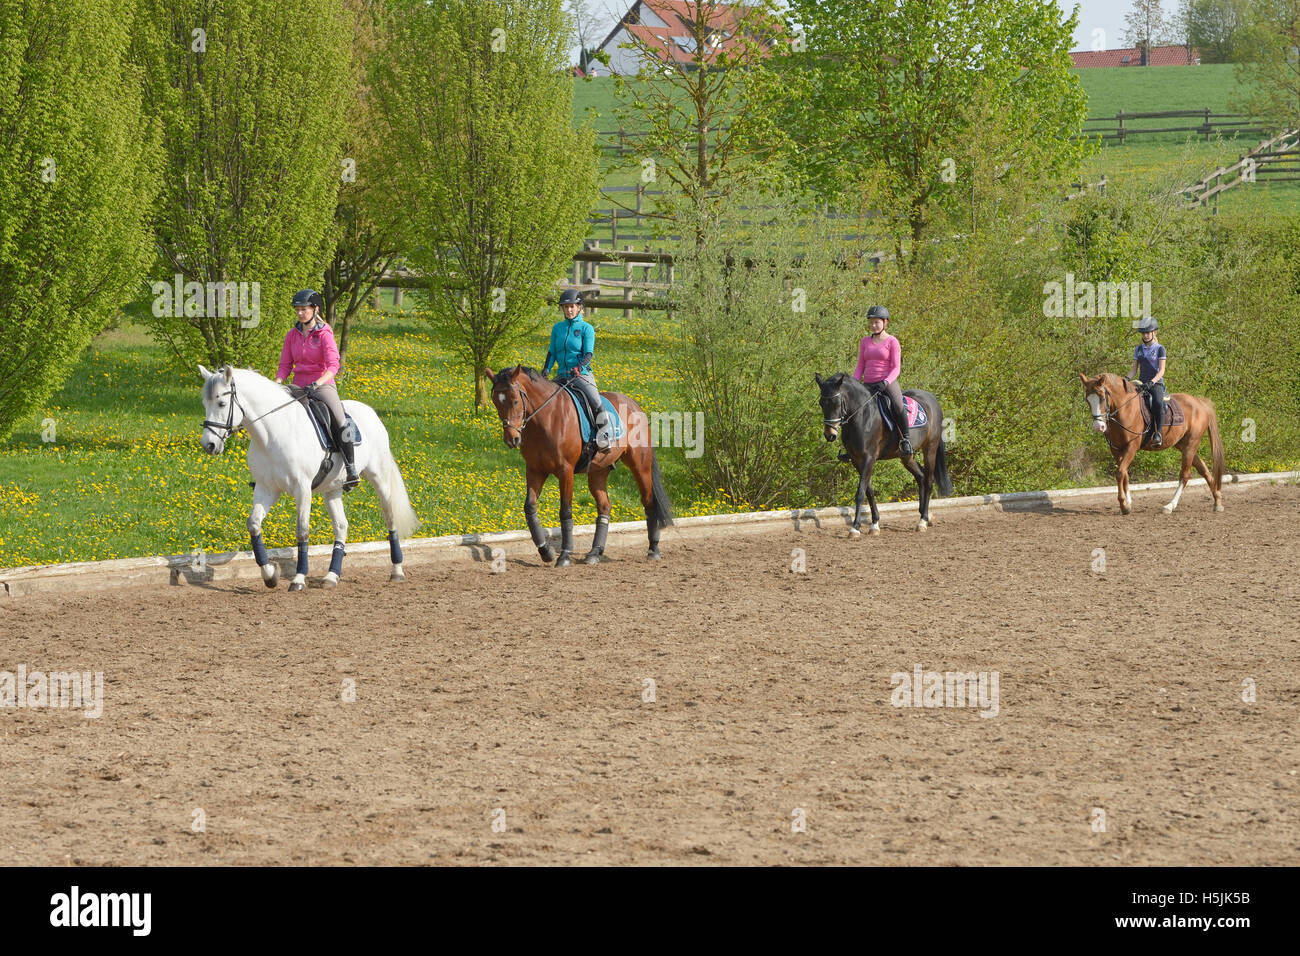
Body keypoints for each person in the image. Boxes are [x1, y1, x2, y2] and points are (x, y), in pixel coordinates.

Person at [276, 288, 359, 490]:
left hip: (321, 384)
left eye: (303, 309)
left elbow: (333, 365)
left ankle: (351, 468)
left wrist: (318, 383)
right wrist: (278, 382)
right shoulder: (292, 335)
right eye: (297, 309)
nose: (299, 313)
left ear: (315, 309)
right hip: (297, 385)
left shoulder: (324, 334)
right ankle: (274, 469)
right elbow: (285, 364)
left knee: (340, 419)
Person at [543, 289, 611, 451]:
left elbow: (588, 353)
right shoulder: (557, 328)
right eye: (565, 307)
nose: (569, 310)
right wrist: (546, 369)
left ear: (579, 307)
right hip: (562, 375)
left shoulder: (587, 328)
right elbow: (552, 351)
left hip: (582, 375)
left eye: (572, 306)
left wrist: (578, 368)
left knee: (596, 401)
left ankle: (605, 435)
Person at [851, 304, 913, 456]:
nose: (873, 325)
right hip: (868, 384)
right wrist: (853, 383)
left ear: (885, 323)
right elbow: (860, 366)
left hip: (887, 383)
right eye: (871, 322)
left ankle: (905, 440)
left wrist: (886, 381)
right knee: (854, 409)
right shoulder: (864, 341)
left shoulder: (892, 341)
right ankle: (852, 445)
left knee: (898, 406)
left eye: (876, 322)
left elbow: (896, 367)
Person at [1127, 316, 1168, 447]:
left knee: (1157, 402)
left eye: (1147, 333)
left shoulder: (1160, 349)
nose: (1145, 335)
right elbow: (1134, 370)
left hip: (1156, 383)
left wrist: (1152, 382)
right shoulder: (1138, 349)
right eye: (1143, 333)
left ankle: (1158, 434)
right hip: (1141, 382)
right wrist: (1126, 379)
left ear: (1154, 332)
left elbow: (1161, 370)